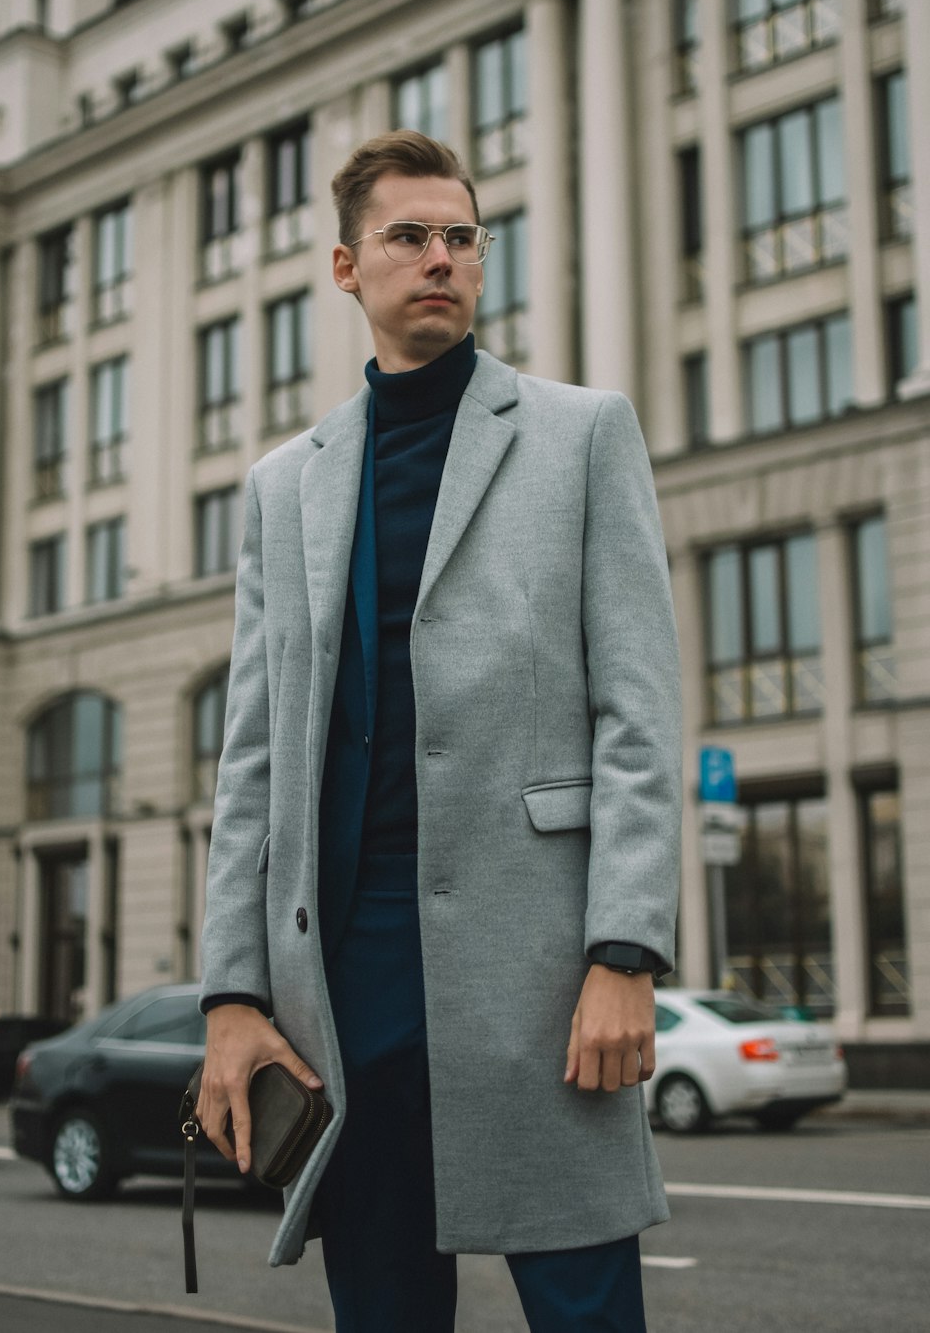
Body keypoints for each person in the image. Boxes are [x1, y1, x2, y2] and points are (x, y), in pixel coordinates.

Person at [197, 130, 682, 1333]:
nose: (441, 259)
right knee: (384, 1310)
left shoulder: (580, 433)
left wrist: (625, 953)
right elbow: (251, 759)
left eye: (462, 237)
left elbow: (638, 713)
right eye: (408, 237)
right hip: (344, 983)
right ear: (344, 267)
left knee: (582, 1307)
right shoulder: (282, 485)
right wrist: (231, 995)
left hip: (538, 969)